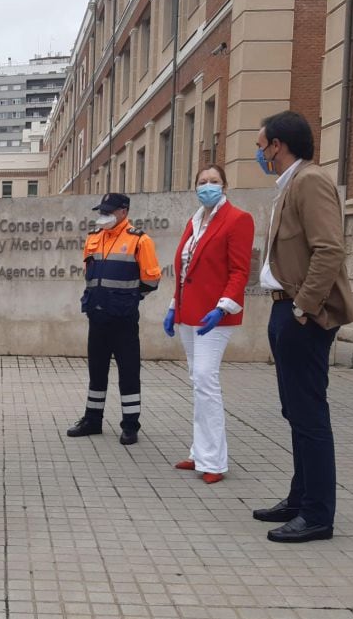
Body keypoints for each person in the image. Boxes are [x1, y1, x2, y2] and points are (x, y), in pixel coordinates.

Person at [251, 110, 353, 543]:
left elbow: (329, 249)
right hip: (287, 310)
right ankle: (300, 498)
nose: (260, 153)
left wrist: (303, 308)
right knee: (294, 411)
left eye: (261, 146)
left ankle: (317, 515)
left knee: (309, 415)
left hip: (302, 314)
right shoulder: (289, 185)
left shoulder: (310, 181)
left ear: (278, 145)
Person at [163, 165, 255, 484]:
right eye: (202, 182)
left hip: (215, 315)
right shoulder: (195, 220)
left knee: (205, 379)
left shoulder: (238, 219)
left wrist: (222, 307)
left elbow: (239, 271)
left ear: (225, 186)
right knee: (197, 381)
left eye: (214, 182)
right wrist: (174, 306)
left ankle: (214, 461)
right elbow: (185, 268)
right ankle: (199, 452)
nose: (207, 186)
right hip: (189, 313)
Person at [67, 192, 161, 445]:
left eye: (108, 211)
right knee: (96, 372)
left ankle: (130, 425)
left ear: (123, 212)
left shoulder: (140, 241)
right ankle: (92, 420)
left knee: (128, 372)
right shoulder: (94, 238)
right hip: (97, 316)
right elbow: (90, 275)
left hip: (124, 319)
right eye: (101, 211)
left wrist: (129, 297)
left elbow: (151, 280)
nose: (103, 216)